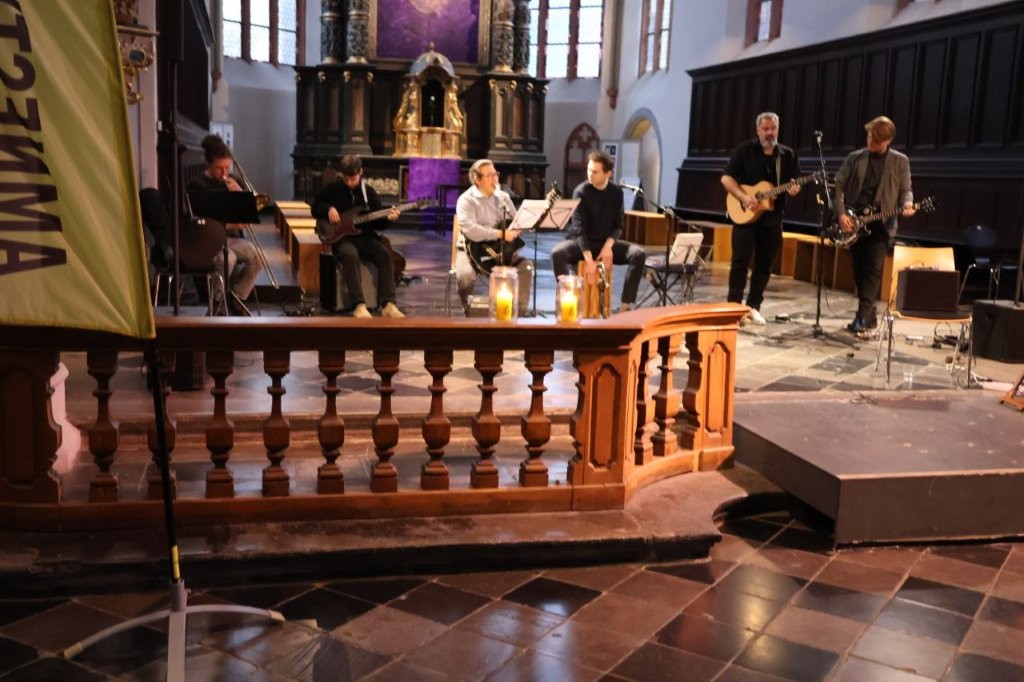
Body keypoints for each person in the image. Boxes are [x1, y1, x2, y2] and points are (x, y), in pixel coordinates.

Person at [834, 116, 915, 336]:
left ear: (888, 141)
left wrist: (907, 204)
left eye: (876, 140)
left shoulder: (900, 161)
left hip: (881, 224)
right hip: (854, 221)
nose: (871, 142)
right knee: (859, 269)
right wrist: (841, 214)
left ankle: (862, 316)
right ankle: (868, 317)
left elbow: (906, 190)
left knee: (873, 268)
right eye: (869, 137)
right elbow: (838, 186)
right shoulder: (855, 158)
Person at [721, 112, 802, 325]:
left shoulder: (787, 155)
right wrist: (743, 197)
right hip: (745, 216)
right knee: (740, 262)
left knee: (765, 265)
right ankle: (733, 307)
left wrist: (795, 189)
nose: (769, 133)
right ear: (758, 130)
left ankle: (753, 306)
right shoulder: (745, 150)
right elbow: (726, 178)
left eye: (773, 128)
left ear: (778, 129)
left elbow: (795, 183)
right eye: (765, 129)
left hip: (773, 217)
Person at [311, 155, 405, 319]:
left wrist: (389, 219)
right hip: (341, 239)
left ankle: (388, 304)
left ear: (360, 172)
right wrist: (328, 209)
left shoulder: (369, 193)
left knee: (384, 255)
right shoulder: (332, 189)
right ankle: (358, 305)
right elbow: (315, 207)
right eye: (346, 179)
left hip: (365, 237)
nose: (349, 183)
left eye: (352, 179)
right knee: (350, 254)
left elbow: (378, 223)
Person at [550, 150, 645, 312]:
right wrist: (589, 261)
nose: (590, 174)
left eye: (595, 171)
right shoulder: (581, 191)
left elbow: (618, 225)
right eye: (589, 169)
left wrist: (608, 246)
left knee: (638, 254)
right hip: (581, 243)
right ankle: (568, 299)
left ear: (608, 174)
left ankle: (625, 305)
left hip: (604, 243)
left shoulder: (616, 193)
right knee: (557, 254)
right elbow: (579, 229)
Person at [188, 134, 264, 315]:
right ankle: (217, 302)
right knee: (227, 259)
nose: (224, 173)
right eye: (219, 168)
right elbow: (200, 223)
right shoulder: (198, 185)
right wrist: (230, 224)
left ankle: (237, 298)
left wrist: (240, 192)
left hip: (229, 239)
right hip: (208, 241)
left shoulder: (233, 181)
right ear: (208, 164)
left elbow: (247, 213)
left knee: (257, 257)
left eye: (227, 168)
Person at [454, 159, 533, 316]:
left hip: (500, 250)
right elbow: (471, 230)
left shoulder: (503, 197)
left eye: (495, 174)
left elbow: (516, 221)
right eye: (489, 176)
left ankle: (518, 312)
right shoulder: (466, 200)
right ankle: (469, 311)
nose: (495, 179)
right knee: (465, 277)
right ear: (477, 179)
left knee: (526, 267)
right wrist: (500, 234)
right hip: (470, 250)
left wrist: (528, 222)